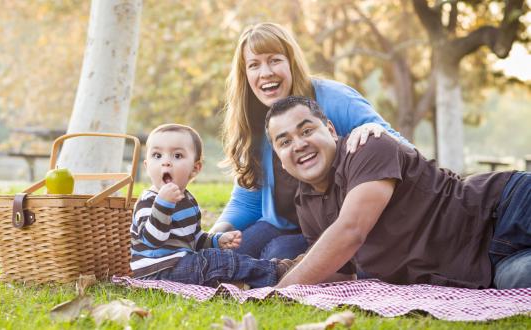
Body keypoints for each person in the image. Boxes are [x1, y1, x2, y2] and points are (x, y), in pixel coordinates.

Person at [265, 95, 531, 289]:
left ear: (331, 131)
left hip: (503, 209)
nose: (299, 144)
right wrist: (277, 272)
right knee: (521, 280)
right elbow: (340, 271)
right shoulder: (306, 201)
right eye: (285, 141)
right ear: (280, 158)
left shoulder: (367, 148)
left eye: (307, 130)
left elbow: (351, 230)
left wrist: (280, 291)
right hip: (484, 266)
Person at [210, 22, 410, 262]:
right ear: (246, 75)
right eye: (254, 65)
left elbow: (403, 150)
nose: (265, 73)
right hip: (283, 224)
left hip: (339, 224)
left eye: (274, 60)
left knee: (276, 253)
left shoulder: (337, 99)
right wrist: (214, 235)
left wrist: (375, 130)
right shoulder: (252, 119)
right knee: (218, 256)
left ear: (291, 62)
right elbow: (247, 199)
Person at [130, 124, 294, 288]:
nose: (165, 162)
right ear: (146, 166)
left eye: (177, 156)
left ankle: (250, 279)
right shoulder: (148, 201)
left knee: (219, 257)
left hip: (182, 265)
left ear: (195, 169)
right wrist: (163, 204)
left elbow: (195, 239)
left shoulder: (188, 201)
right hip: (157, 272)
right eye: (157, 155)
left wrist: (217, 240)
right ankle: (277, 272)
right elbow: (152, 241)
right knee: (216, 261)